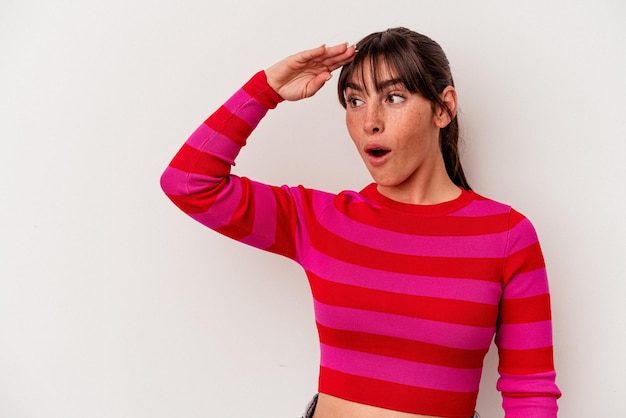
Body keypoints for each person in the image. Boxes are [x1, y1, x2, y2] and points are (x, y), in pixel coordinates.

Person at [161, 27, 561, 418]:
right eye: (354, 101)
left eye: (394, 97)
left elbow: (530, 390)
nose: (370, 120)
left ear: (444, 108)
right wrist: (266, 88)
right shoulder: (321, 221)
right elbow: (189, 183)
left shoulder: (506, 235)